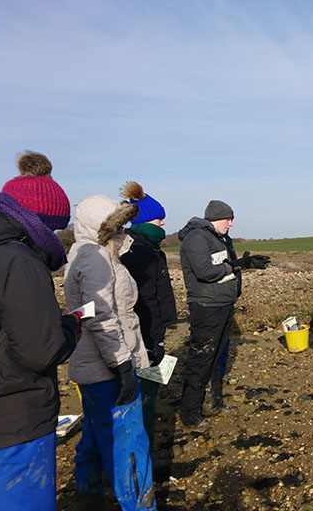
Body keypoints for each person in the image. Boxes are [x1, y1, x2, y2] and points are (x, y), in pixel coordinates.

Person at [0, 152, 78, 511]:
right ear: (38, 221)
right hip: (8, 420)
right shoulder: (17, 261)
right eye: (54, 228)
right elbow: (40, 350)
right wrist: (69, 325)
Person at [65, 194, 156, 510]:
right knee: (128, 448)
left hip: (94, 369)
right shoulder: (95, 261)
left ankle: (88, 497)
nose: (123, 233)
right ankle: (139, 506)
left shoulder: (85, 254)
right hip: (108, 371)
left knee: (93, 437)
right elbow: (99, 316)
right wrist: (122, 367)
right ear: (100, 228)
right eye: (117, 227)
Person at [178, 200, 269, 428]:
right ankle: (190, 414)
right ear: (215, 218)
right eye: (228, 219)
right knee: (201, 358)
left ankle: (213, 403)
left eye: (231, 220)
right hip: (207, 306)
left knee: (216, 356)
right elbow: (205, 271)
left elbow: (225, 263)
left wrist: (243, 263)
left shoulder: (219, 238)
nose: (230, 224)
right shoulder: (197, 238)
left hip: (223, 303)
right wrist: (233, 266)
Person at [119, 182, 178, 456]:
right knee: (145, 396)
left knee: (148, 392)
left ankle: (143, 449)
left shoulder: (149, 248)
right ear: (143, 221)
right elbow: (140, 301)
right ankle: (144, 455)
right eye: (158, 218)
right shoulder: (138, 252)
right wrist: (153, 339)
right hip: (143, 336)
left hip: (151, 332)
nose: (163, 222)